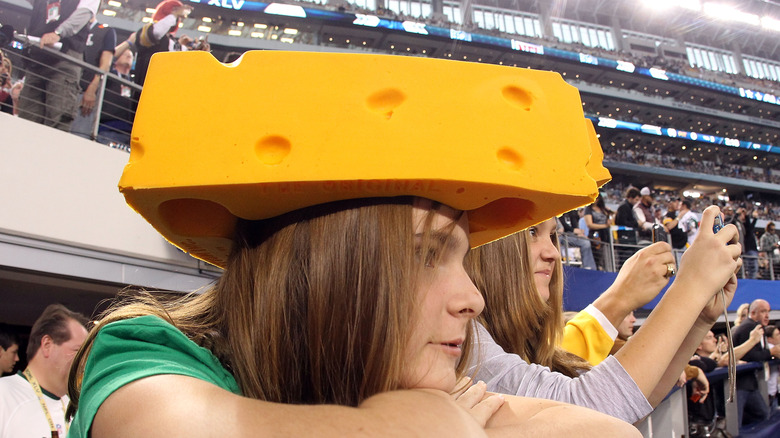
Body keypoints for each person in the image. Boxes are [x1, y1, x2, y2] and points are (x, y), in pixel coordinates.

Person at [66, 51, 641, 437]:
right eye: (425, 254)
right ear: (327, 261)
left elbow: (605, 433)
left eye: (461, 258)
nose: (474, 299)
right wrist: (411, 424)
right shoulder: (146, 352)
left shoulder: (403, 374)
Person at [466, 205, 741, 424]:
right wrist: (690, 286)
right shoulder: (464, 340)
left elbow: (621, 407)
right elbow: (585, 412)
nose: (552, 252)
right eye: (531, 232)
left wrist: (701, 318)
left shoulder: (526, 342)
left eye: (552, 235)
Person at [0, 304, 88, 438]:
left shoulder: (78, 406)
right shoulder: (4, 395)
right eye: (78, 351)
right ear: (47, 345)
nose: (83, 362)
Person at [17, 0, 100, 131]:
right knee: (27, 117)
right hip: (37, 59)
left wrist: (58, 32)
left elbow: (84, 13)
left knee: (58, 120)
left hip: (65, 58)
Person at [731, 299, 779, 426]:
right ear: (753, 313)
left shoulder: (758, 327)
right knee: (736, 424)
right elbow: (749, 355)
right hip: (740, 384)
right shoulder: (749, 327)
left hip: (750, 383)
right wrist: (772, 352)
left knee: (763, 415)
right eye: (763, 311)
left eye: (768, 311)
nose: (767, 315)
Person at [70, 17, 116, 140]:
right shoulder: (71, 26)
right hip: (64, 85)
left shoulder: (105, 31)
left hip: (84, 90)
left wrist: (92, 89)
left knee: (78, 136)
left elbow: (105, 64)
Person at [583, 194, 613, 270]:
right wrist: (605, 225)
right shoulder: (588, 209)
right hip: (595, 236)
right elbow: (590, 224)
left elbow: (612, 214)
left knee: (607, 255)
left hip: (605, 235)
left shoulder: (603, 209)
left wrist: (609, 220)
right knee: (598, 256)